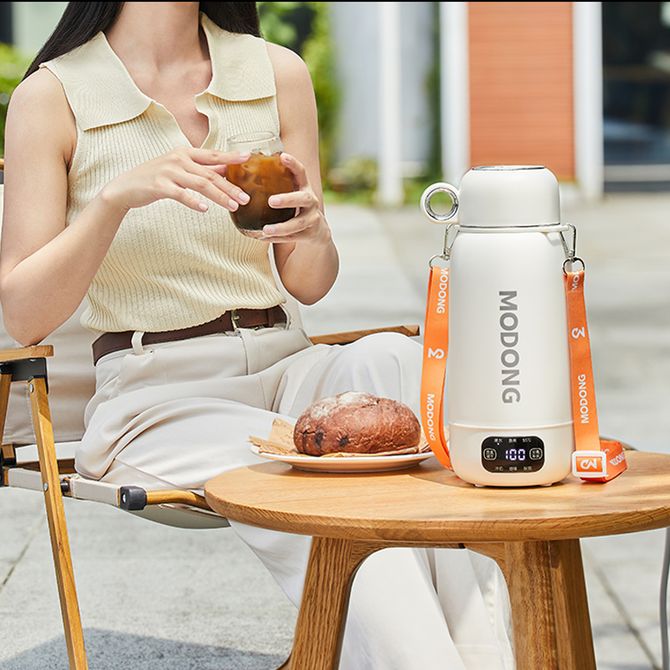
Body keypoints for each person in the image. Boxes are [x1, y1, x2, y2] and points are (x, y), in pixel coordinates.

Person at [0, 3, 514, 668]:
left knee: (399, 364)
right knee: (325, 488)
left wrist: (315, 232)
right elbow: (25, 317)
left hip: (284, 363)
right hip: (156, 398)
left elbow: (308, 283)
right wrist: (114, 200)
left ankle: (485, 655)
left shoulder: (274, 74)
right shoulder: (53, 96)